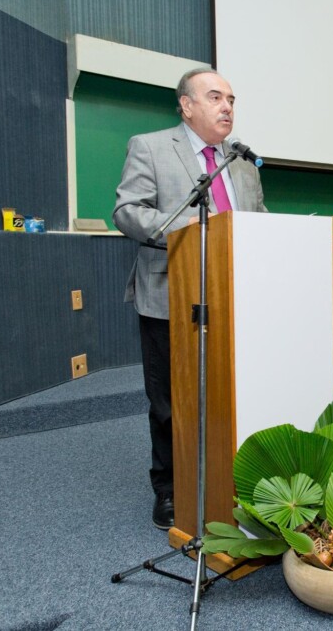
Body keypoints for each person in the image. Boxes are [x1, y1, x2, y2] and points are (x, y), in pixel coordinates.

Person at [113, 68, 268, 530]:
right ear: (186, 105)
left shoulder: (241, 162)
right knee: (169, 399)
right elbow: (127, 211)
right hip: (170, 291)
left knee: (230, 391)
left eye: (232, 100)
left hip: (234, 295)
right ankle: (169, 486)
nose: (227, 107)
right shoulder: (152, 147)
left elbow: (257, 222)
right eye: (216, 97)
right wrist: (189, 229)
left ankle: (232, 473)